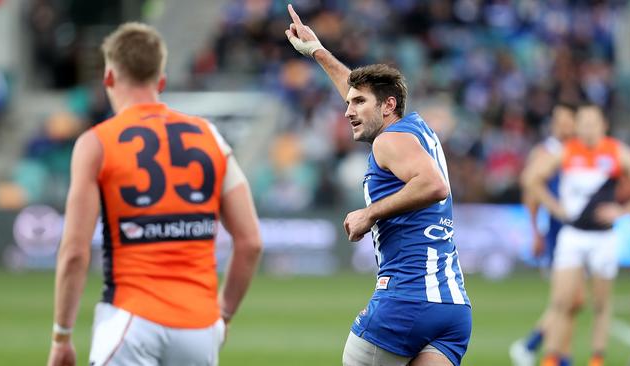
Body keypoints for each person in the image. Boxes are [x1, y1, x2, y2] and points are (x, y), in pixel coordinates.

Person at [47, 22, 262, 366]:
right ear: (160, 81)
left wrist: (62, 336)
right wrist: (222, 317)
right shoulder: (210, 137)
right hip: (199, 329)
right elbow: (250, 241)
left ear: (108, 78)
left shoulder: (96, 143)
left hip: (130, 320)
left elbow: (74, 252)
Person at [285, 5, 471, 366]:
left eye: (357, 103)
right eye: (349, 101)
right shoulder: (416, 130)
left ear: (388, 106)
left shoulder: (390, 142)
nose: (347, 110)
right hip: (452, 307)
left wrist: (369, 213)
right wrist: (318, 51)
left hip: (405, 299)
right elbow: (359, 92)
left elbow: (434, 185)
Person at [525, 103, 630, 366]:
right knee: (561, 301)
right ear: (577, 126)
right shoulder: (568, 151)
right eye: (583, 123)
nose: (588, 129)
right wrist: (556, 208)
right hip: (573, 235)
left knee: (601, 304)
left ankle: (597, 359)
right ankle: (551, 358)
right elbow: (532, 179)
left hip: (603, 237)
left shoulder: (615, 152)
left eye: (593, 123)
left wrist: (623, 211)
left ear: (603, 125)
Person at [510, 102, 583, 366]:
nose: (562, 124)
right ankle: (544, 351)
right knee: (567, 298)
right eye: (559, 119)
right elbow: (531, 193)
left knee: (574, 300)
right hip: (558, 232)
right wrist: (535, 232)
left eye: (567, 119)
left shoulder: (579, 150)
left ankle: (545, 349)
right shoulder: (546, 151)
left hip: (581, 231)